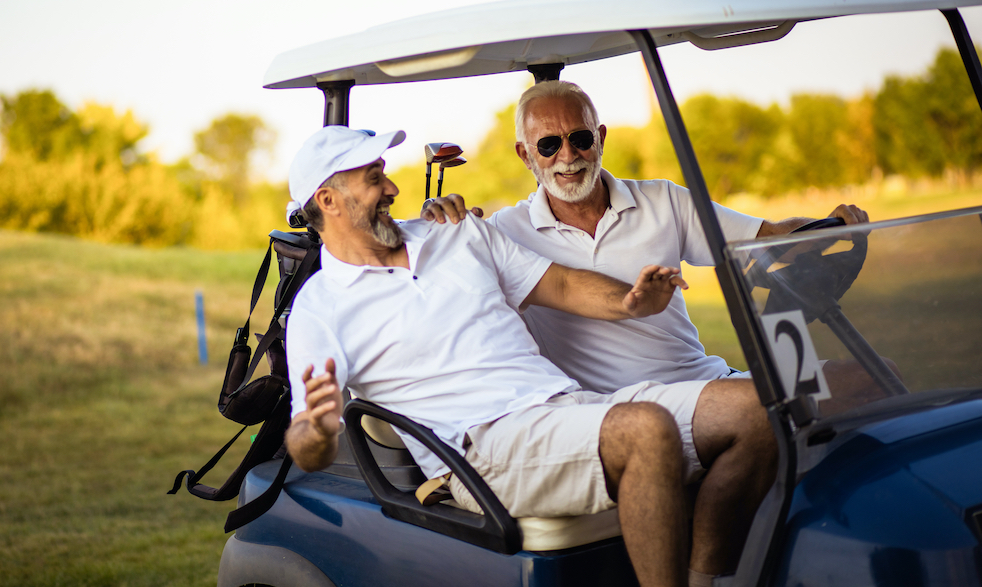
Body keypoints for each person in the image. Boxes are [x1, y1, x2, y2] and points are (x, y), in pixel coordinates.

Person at [284, 125, 777, 587]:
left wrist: (630, 301)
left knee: (758, 409)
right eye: (374, 180)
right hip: (476, 450)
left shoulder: (453, 233)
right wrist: (321, 428)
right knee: (645, 429)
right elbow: (307, 444)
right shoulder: (320, 307)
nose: (392, 189)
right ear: (328, 200)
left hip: (564, 406)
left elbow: (559, 282)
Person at [426, 79, 870, 395]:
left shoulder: (662, 200)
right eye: (548, 145)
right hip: (616, 410)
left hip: (703, 380)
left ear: (600, 139)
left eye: (580, 138)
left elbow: (766, 237)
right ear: (526, 155)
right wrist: (439, 220)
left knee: (870, 379)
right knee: (775, 412)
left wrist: (829, 226)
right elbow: (439, 284)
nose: (568, 156)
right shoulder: (507, 232)